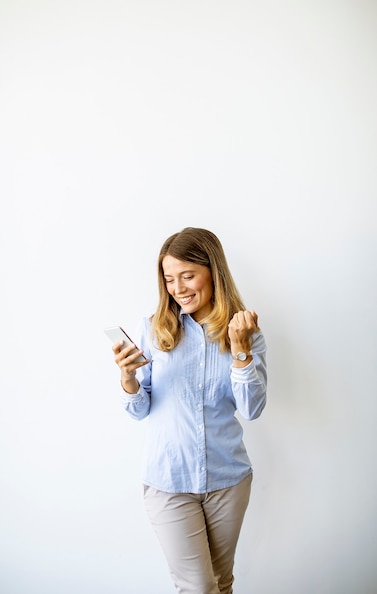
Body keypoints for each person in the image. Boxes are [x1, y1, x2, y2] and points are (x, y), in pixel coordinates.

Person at [110, 227, 267, 594]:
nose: (178, 288)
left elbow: (253, 408)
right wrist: (128, 378)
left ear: (213, 271)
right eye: (169, 279)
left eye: (187, 276)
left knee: (221, 582)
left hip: (228, 481)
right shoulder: (152, 330)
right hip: (169, 484)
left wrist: (240, 349)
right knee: (198, 587)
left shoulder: (244, 330)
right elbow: (139, 409)